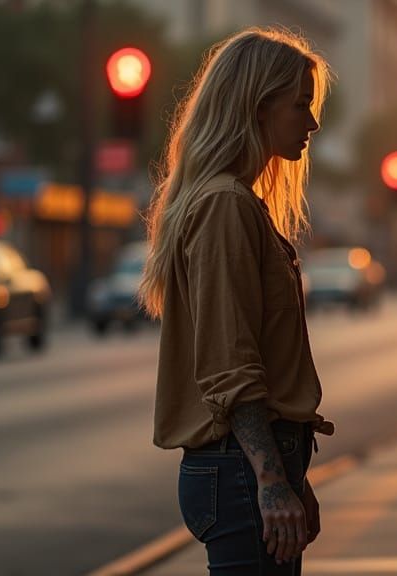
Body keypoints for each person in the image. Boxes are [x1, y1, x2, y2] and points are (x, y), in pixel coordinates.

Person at [137, 27, 334, 576]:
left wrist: (292, 476)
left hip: (244, 464)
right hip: (240, 468)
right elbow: (230, 363)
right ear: (258, 106)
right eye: (300, 106)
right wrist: (272, 481)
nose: (312, 124)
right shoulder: (225, 204)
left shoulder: (234, 200)